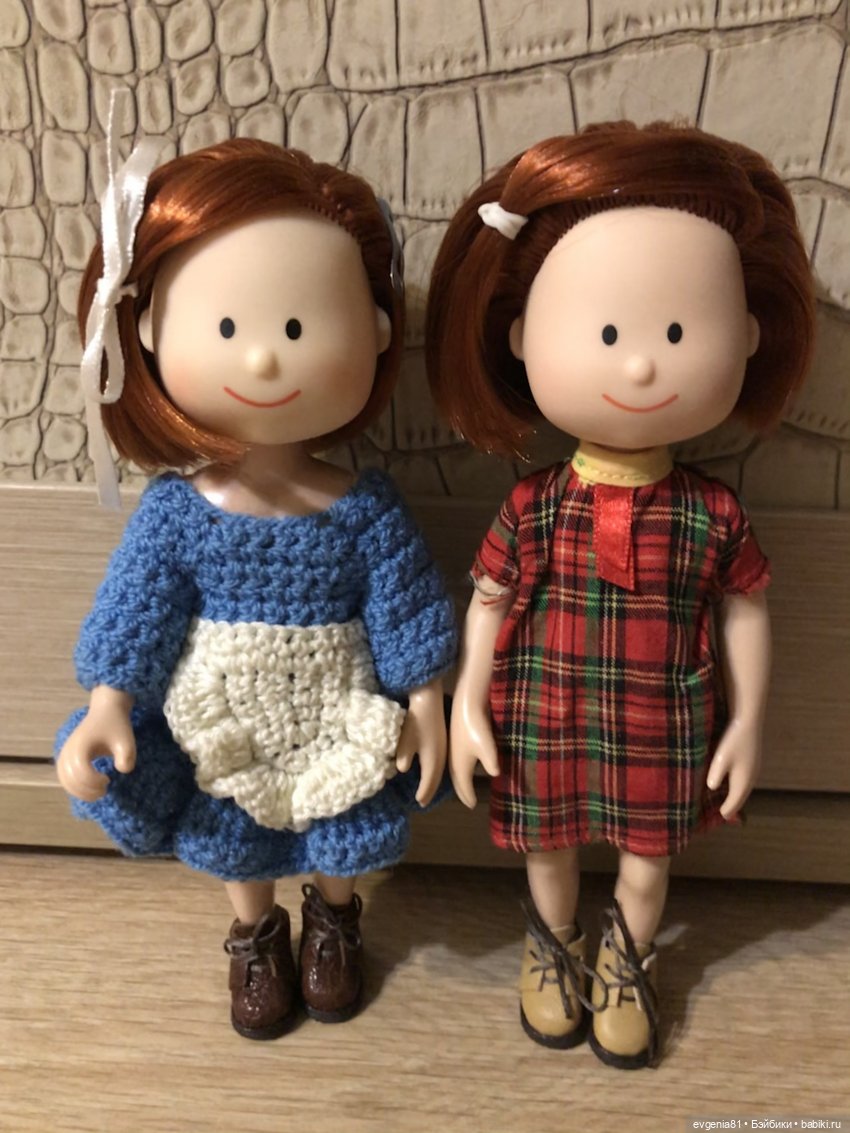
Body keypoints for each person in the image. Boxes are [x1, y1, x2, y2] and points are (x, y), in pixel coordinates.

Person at [56, 113, 457, 1041]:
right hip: (224, 717)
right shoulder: (179, 512)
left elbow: (404, 606)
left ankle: (334, 919)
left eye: (299, 326)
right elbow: (140, 608)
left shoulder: (362, 508)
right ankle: (255, 933)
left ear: (376, 334)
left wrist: (427, 699)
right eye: (228, 326)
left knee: (341, 823)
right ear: (148, 330)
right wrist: (111, 702)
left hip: (336, 709)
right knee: (237, 831)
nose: (265, 355)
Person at [426, 121, 815, 1068]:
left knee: (648, 862)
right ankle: (552, 944)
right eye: (606, 335)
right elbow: (487, 599)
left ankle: (628, 959)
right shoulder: (534, 504)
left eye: (678, 334)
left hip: (661, 719)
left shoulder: (711, 513)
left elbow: (747, 607)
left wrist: (748, 720)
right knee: (548, 851)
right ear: (521, 340)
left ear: (748, 336)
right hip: (544, 714)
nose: (640, 364)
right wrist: (468, 701)